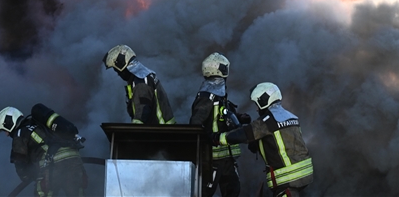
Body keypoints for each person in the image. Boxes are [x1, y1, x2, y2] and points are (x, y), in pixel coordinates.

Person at [213, 83, 313, 197]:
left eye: (257, 104)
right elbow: (277, 141)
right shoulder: (290, 117)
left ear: (264, 100)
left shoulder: (268, 121)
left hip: (288, 178)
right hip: (304, 173)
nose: (256, 109)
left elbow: (245, 134)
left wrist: (218, 138)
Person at [190, 52, 251, 197]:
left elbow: (221, 114)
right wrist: (209, 137)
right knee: (204, 193)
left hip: (226, 158)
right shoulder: (207, 95)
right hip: (212, 159)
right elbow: (196, 124)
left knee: (233, 191)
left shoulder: (218, 92)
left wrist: (238, 117)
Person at [0, 104, 87, 196]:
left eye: (5, 130)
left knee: (42, 193)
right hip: (74, 157)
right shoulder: (39, 123)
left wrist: (30, 176)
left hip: (52, 163)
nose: (7, 134)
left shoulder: (19, 134)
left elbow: (20, 165)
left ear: (9, 124)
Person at [103, 44, 176, 124]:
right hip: (163, 132)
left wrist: (134, 129)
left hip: (159, 134)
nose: (118, 74)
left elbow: (142, 110)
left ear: (122, 65)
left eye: (117, 71)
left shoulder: (141, 81)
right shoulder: (144, 76)